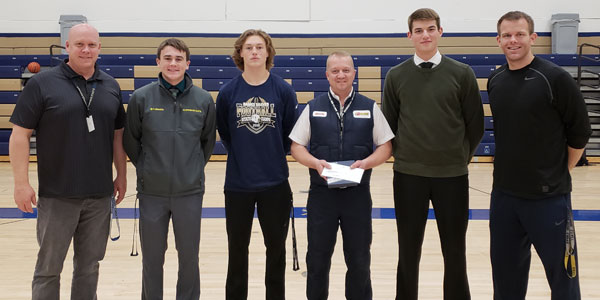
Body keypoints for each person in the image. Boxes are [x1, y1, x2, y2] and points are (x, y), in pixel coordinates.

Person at [8, 23, 127, 299]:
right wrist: (21, 184)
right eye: (79, 44)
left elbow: (117, 136)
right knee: (49, 269)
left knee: (89, 267)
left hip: (98, 196)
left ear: (100, 48)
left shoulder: (110, 85)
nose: (86, 50)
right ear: (67, 47)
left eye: (92, 45)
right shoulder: (41, 84)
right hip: (57, 195)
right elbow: (19, 136)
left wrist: (121, 175)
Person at [381, 8, 484, 300]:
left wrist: (459, 157)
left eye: (430, 29)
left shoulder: (461, 73)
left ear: (440, 31)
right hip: (408, 175)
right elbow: (389, 124)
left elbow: (474, 124)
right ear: (409, 35)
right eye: (418, 30)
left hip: (451, 175)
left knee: (454, 250)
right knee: (408, 249)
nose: (425, 35)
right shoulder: (396, 76)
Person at [488, 11, 591, 300]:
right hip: (505, 198)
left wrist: (560, 171)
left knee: (563, 279)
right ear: (498, 40)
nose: (513, 40)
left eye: (520, 34)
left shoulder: (555, 78)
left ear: (532, 37)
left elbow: (580, 132)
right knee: (506, 282)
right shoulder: (495, 80)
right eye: (507, 35)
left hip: (549, 200)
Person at [290, 51, 393, 299]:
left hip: (357, 196)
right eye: (335, 71)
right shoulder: (313, 108)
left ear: (354, 74)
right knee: (317, 260)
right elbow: (296, 146)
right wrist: (315, 163)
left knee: (359, 260)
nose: (341, 75)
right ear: (327, 75)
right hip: (322, 196)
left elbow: (386, 146)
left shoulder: (369, 107)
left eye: (346, 70)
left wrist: (366, 163)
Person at [123, 38, 216, 300]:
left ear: (187, 63)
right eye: (167, 58)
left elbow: (207, 143)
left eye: (178, 59)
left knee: (189, 258)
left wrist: (192, 168)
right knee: (152, 259)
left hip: (189, 192)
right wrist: (147, 168)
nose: (173, 63)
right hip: (152, 192)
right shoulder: (141, 97)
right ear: (158, 62)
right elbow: (131, 140)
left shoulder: (203, 100)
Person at [215, 29, 298, 300]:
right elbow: (226, 133)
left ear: (267, 52)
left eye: (259, 47)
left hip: (275, 184)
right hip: (238, 185)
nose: (254, 52)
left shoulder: (283, 90)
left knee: (276, 251)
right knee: (237, 251)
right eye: (248, 47)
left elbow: (289, 134)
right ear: (240, 53)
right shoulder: (228, 92)